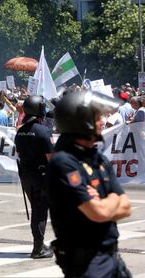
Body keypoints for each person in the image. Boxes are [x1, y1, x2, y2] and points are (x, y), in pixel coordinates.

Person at [46, 90, 132, 277]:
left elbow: (126, 207)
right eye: (97, 117)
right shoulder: (64, 162)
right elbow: (98, 212)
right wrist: (111, 199)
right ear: (81, 120)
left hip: (112, 257)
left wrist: (105, 202)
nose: (102, 121)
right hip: (87, 264)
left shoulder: (97, 158)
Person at [14, 95, 53, 259]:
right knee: (40, 211)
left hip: (26, 176)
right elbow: (51, 157)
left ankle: (39, 244)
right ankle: (38, 248)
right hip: (41, 175)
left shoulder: (20, 131)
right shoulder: (43, 131)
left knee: (36, 209)